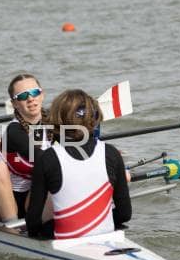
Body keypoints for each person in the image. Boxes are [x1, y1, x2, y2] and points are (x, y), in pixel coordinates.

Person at [25, 89, 131, 239]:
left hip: (65, 240)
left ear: (58, 120)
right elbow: (125, 214)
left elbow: (33, 224)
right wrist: (95, 221)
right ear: (94, 118)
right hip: (105, 236)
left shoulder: (47, 158)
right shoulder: (111, 153)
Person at [0, 74, 49, 222]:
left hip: (33, 200)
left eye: (35, 92)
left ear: (42, 95)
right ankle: (12, 228)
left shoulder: (55, 122)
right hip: (1, 203)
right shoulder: (13, 131)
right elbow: (38, 155)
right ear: (14, 104)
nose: (30, 98)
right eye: (23, 96)